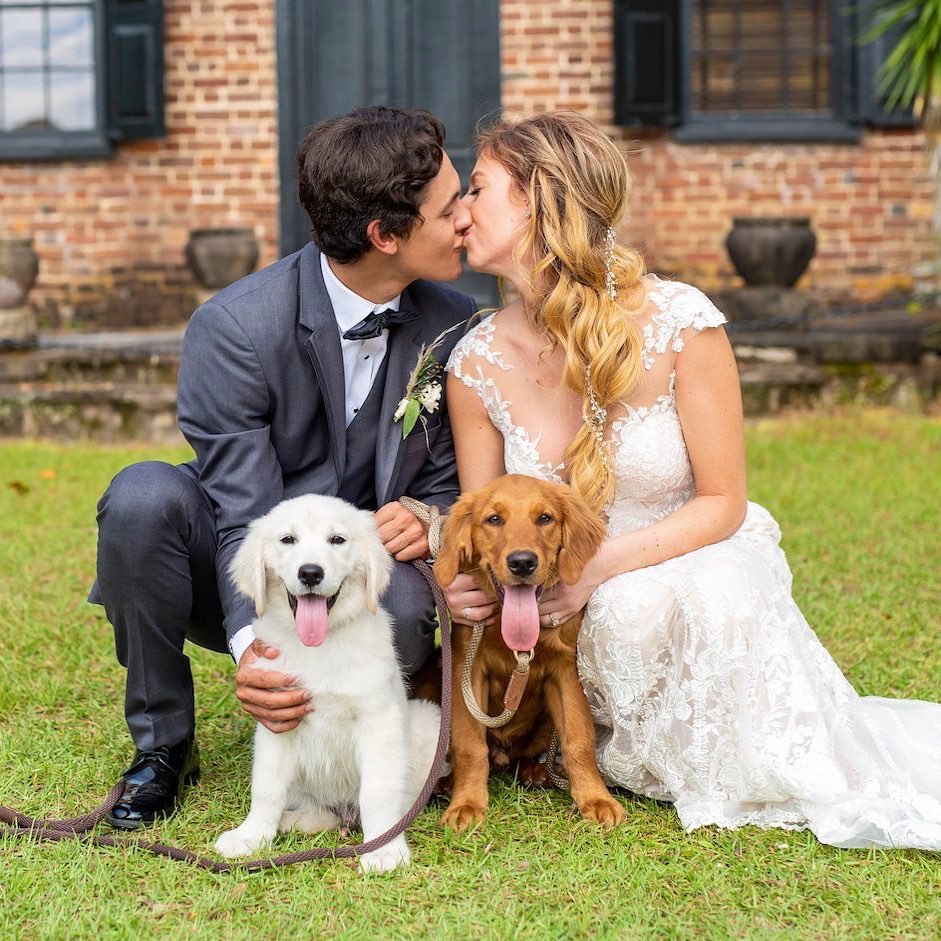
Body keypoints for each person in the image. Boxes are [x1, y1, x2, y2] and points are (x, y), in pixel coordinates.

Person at [442, 110, 941, 849]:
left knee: (644, 605)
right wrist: (466, 581)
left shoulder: (680, 322)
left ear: (537, 201)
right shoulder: (474, 361)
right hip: (546, 592)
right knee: (597, 614)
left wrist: (592, 570)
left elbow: (723, 502)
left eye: (476, 189)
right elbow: (482, 518)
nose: (458, 211)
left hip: (684, 553)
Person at [90, 106, 475, 829]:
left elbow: (452, 481)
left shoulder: (453, 321)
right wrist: (254, 650)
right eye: (450, 206)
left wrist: (428, 517)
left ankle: (358, 754)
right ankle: (162, 745)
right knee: (143, 498)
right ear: (384, 235)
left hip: (367, 582)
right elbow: (241, 512)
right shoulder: (235, 327)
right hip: (249, 570)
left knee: (398, 615)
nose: (466, 218)